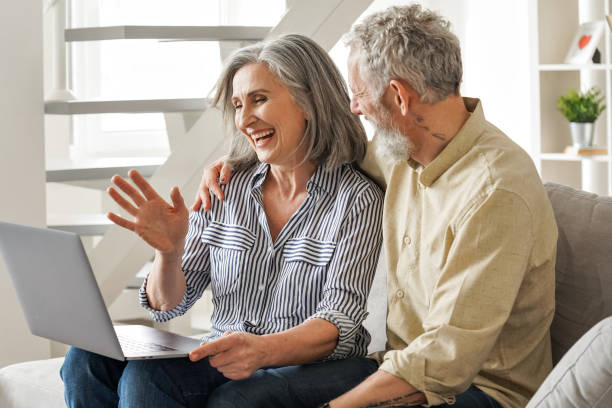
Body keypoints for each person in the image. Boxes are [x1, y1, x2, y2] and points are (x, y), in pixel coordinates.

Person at [194, 5, 558, 408]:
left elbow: (446, 355)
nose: (354, 108)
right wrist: (237, 162)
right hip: (396, 364)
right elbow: (325, 154)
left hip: (473, 388)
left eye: (361, 93)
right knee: (241, 399)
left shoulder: (495, 190)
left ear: (399, 96)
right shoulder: (404, 149)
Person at [60, 34, 384, 408]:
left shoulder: (356, 199)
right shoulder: (227, 189)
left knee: (150, 377)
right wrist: (169, 252)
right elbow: (169, 305)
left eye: (259, 100)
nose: (245, 120)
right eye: (237, 105)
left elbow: (339, 322)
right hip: (228, 355)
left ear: (309, 101)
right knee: (84, 358)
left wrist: (261, 350)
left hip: (310, 366)